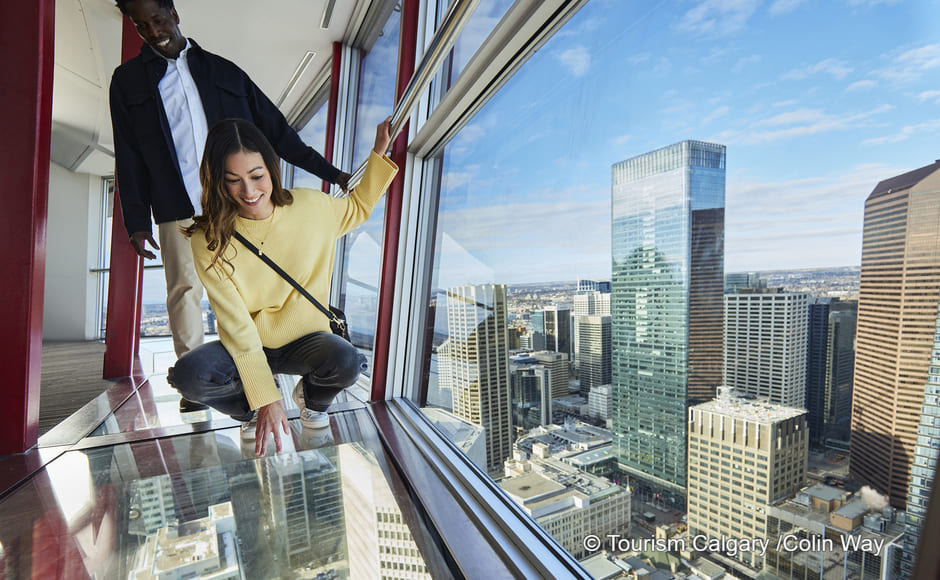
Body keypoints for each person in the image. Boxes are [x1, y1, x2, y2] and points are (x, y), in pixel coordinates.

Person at [109, 0, 351, 412]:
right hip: (176, 203)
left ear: (174, 12)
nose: (152, 30)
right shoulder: (127, 81)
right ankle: (198, 383)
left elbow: (277, 131)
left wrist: (331, 173)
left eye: (158, 19)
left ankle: (264, 368)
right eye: (140, 25)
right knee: (183, 290)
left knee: (250, 289)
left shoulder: (224, 71)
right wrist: (135, 218)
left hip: (237, 202)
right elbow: (127, 153)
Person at [168, 117, 396, 456]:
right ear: (218, 182)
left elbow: (359, 207)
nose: (249, 192)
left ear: (272, 168)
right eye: (233, 181)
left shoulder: (312, 207)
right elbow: (236, 325)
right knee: (189, 376)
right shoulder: (209, 239)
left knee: (347, 361)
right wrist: (265, 400)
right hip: (247, 343)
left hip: (308, 341)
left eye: (257, 176)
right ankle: (246, 410)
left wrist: (379, 152)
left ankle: (312, 401)